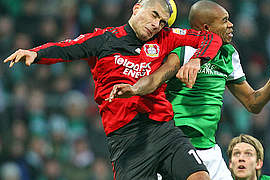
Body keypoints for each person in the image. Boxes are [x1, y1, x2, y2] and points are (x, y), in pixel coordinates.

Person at [3, 0, 225, 179]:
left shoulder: (165, 38)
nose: (157, 25)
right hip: (126, 140)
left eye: (162, 22)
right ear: (137, 8)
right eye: (154, 15)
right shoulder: (104, 40)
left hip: (163, 129)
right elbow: (68, 48)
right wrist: (37, 53)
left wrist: (197, 59)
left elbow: (211, 38)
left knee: (199, 176)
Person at [107, 1, 270, 179]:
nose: (231, 25)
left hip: (209, 149)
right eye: (225, 20)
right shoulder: (181, 49)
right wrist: (134, 89)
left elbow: (253, 103)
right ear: (206, 27)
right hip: (174, 147)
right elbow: (154, 80)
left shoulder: (228, 54)